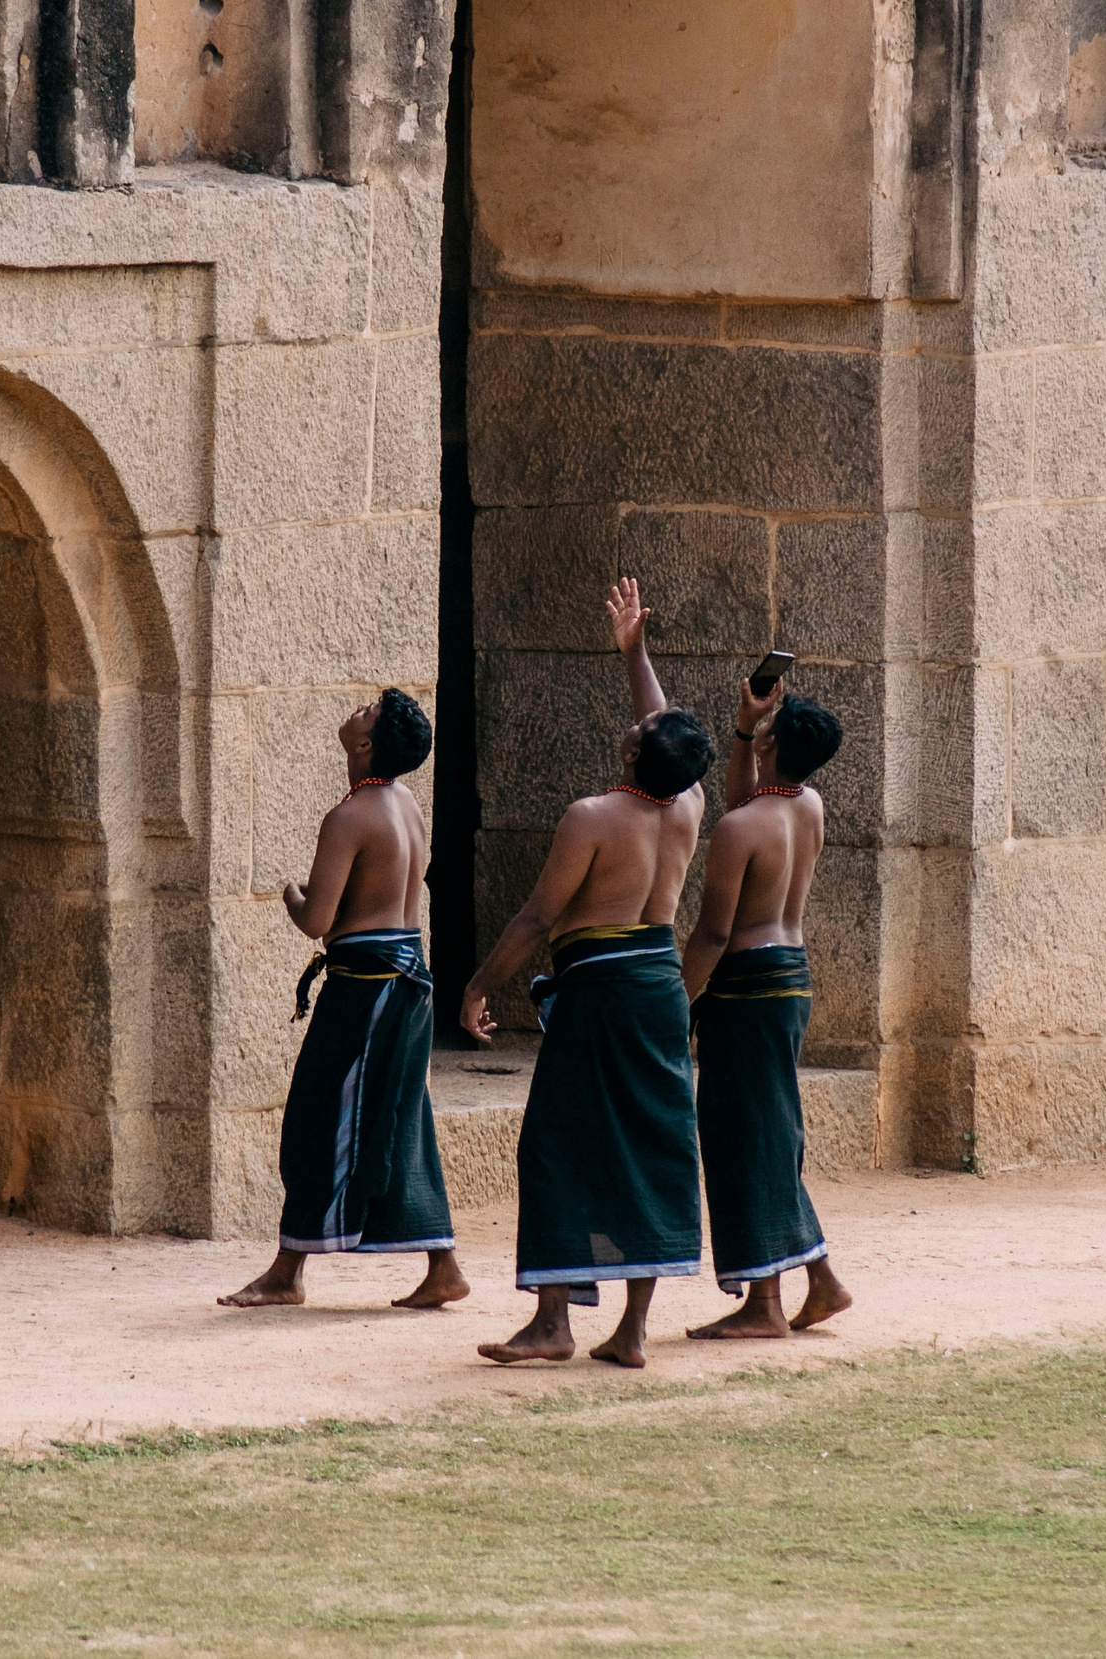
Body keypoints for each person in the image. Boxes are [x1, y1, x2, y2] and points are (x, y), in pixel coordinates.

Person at [461, 579, 714, 1368]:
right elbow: (667, 730)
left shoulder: (593, 816)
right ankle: (632, 1330)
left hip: (598, 996)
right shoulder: (690, 802)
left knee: (556, 1145)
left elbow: (537, 920)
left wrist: (475, 987)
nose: (637, 726)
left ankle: (552, 1323)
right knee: (651, 1145)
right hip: (659, 991)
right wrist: (634, 650)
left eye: (641, 730)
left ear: (636, 752)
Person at [221, 689, 469, 1311]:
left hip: (366, 990)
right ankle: (443, 1265)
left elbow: (318, 920)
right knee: (401, 1118)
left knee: (314, 1117)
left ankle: (286, 1273)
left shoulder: (350, 815)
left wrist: (290, 894)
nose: (357, 710)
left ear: (365, 745)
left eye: (367, 712)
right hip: (405, 982)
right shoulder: (405, 803)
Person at [679, 678, 857, 1339]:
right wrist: (746, 731)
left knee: (745, 1139)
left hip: (745, 986)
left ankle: (763, 1304)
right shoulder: (806, 804)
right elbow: (743, 809)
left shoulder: (740, 825)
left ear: (775, 743)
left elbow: (714, 933)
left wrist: (677, 999)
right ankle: (821, 1279)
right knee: (773, 1134)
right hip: (790, 979)